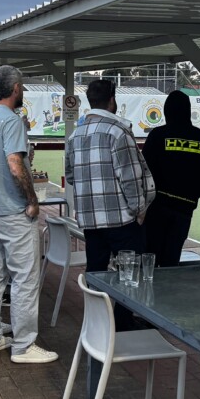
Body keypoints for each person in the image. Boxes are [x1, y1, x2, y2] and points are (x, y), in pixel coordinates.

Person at [0, 66, 56, 364]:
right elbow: (14, 163)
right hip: (13, 211)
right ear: (16, 88)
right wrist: (32, 200)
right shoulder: (11, 120)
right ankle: (23, 346)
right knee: (24, 279)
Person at [65, 78, 155, 329]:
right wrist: (139, 210)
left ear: (90, 101)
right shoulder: (118, 132)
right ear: (113, 100)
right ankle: (123, 323)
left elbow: (70, 176)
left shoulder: (75, 135)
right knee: (129, 274)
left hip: (90, 220)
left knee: (96, 272)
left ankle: (97, 324)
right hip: (121, 219)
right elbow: (130, 177)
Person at [141, 90, 200, 267]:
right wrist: (190, 196)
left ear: (166, 111)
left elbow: (144, 171)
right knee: (171, 261)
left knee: (150, 261)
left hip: (156, 208)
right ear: (188, 111)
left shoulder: (158, 135)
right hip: (185, 209)